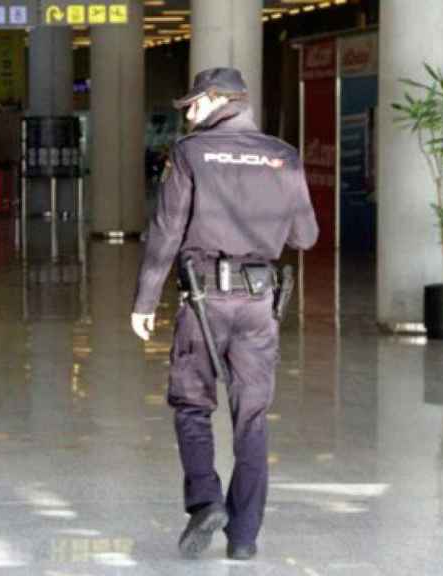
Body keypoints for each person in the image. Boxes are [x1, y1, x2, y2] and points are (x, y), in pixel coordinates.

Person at [129, 68, 318, 561]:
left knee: (192, 404)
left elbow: (167, 230)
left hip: (205, 299)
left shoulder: (191, 154)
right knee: (251, 418)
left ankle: (206, 499)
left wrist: (144, 300)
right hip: (259, 304)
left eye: (192, 105)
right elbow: (305, 236)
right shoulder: (284, 155)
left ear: (216, 101)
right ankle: (244, 537)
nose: (187, 115)